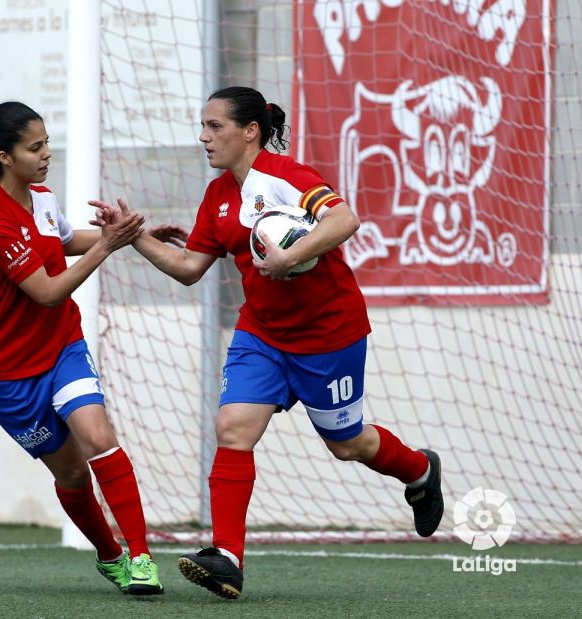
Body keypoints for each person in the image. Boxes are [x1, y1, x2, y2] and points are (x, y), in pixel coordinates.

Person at [90, 86, 444, 600]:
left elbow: (344, 220)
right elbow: (190, 268)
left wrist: (287, 256)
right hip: (261, 334)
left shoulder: (288, 177)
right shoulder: (218, 195)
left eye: (215, 127)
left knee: (346, 444)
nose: (204, 136)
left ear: (250, 131)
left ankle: (419, 469)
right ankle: (227, 557)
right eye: (203, 126)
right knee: (232, 427)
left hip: (329, 335)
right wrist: (133, 237)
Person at [0, 101, 164, 596]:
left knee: (98, 435)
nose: (48, 154)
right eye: (36, 146)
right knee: (70, 472)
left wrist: (134, 236)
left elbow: (66, 241)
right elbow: (47, 289)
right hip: (8, 374)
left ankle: (142, 558)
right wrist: (108, 246)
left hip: (62, 346)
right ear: (4, 157)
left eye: (48, 142)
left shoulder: (42, 198)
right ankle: (109, 554)